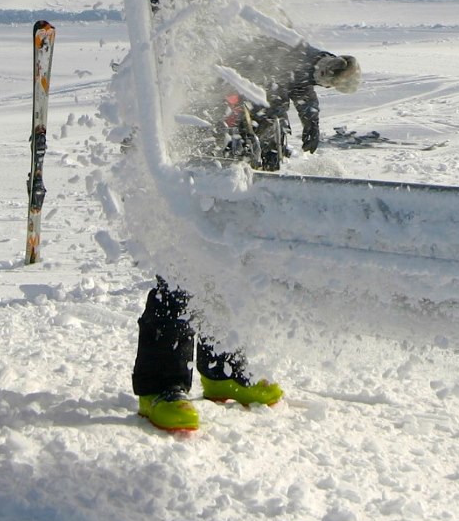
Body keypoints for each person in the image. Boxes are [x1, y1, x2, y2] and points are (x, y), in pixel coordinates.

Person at [134, 31, 361, 433]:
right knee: (181, 271)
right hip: (194, 152)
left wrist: (322, 68)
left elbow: (285, 41)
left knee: (237, 267)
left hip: (253, 154)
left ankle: (225, 371)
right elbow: (157, 43)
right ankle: (161, 386)